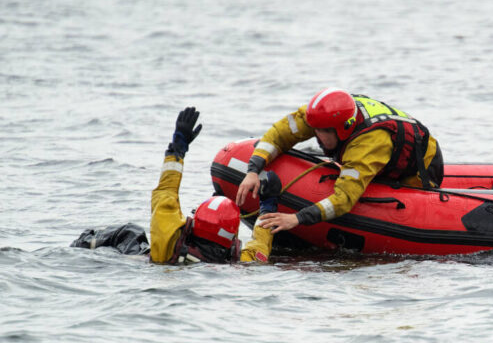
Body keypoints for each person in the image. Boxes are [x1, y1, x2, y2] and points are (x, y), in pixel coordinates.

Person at [72, 107, 281, 263]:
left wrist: (177, 150)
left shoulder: (170, 240)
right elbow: (259, 246)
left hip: (150, 261)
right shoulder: (238, 263)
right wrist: (269, 206)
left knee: (130, 232)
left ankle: (82, 246)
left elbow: (165, 193)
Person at [235, 88, 443, 234]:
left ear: (342, 128)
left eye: (323, 132)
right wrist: (254, 169)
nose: (317, 136)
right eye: (314, 129)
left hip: (420, 168)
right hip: (379, 153)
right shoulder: (322, 115)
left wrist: (296, 218)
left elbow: (344, 199)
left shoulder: (366, 145)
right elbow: (280, 134)